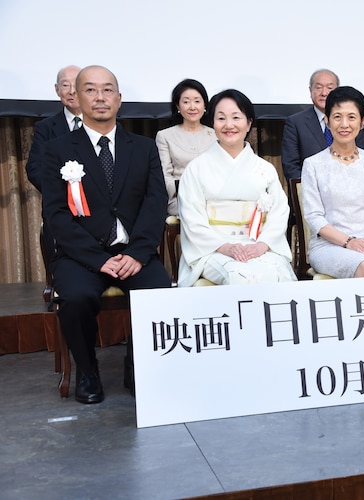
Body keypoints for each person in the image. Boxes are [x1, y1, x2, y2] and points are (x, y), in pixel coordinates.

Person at [41, 65, 170, 404]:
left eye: (107, 89)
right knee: (76, 298)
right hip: (81, 256)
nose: (100, 97)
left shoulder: (143, 147)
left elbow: (155, 205)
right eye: (91, 90)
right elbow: (56, 215)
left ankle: (137, 367)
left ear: (119, 98)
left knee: (158, 290)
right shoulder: (57, 149)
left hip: (133, 252)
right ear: (76, 98)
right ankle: (87, 371)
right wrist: (99, 259)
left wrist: (138, 253)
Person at [178, 89, 296, 286]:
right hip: (213, 249)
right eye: (221, 118)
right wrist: (225, 247)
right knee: (241, 276)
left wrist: (262, 245)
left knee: (276, 274)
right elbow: (192, 218)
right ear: (212, 123)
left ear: (249, 123)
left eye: (236, 117)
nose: (229, 125)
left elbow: (279, 213)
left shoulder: (264, 168)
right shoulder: (197, 168)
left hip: (258, 246)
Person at [301, 86, 364, 278]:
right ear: (327, 121)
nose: (344, 124)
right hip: (328, 244)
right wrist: (348, 242)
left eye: (351, 117)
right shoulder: (313, 164)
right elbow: (314, 217)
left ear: (363, 122)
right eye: (337, 117)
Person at [281, 69, 364, 181]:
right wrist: (312, 188)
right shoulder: (296, 122)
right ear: (310, 91)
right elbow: (291, 166)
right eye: (318, 87)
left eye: (330, 88)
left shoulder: (351, 123)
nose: (324, 93)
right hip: (310, 190)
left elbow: (359, 158)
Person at [155, 79, 215, 216]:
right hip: (181, 198)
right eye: (186, 102)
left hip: (213, 197)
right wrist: (182, 189)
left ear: (205, 104)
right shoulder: (165, 136)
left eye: (197, 101)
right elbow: (164, 174)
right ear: (178, 106)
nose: (192, 107)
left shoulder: (216, 135)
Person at [26, 65, 82, 192]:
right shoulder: (45, 128)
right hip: (59, 204)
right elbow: (35, 168)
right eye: (65, 85)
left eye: (77, 84)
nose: (72, 91)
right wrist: (60, 193)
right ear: (57, 90)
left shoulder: (101, 124)